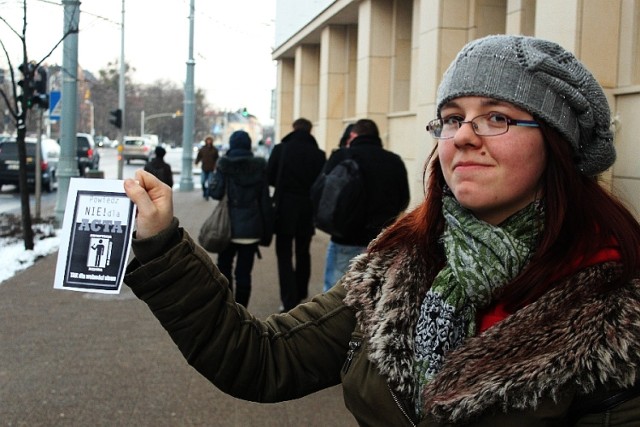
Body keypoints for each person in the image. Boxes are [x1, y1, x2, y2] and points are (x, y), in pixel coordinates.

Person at [123, 35, 640, 426]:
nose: (463, 137)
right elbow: (261, 357)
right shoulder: (398, 264)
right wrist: (164, 243)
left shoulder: (617, 305)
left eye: (497, 118)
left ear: (557, 144)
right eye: (452, 118)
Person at [321, 118, 410, 292]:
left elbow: (324, 194)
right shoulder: (394, 161)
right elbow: (403, 199)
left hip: (344, 239)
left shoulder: (341, 156)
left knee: (333, 298)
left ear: (353, 135)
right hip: (381, 241)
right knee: (373, 296)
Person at [266, 118, 326, 311]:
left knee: (283, 253)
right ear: (310, 131)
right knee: (303, 251)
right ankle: (301, 291)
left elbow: (269, 176)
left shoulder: (281, 149)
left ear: (293, 129)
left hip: (285, 206)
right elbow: (321, 183)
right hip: (308, 208)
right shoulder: (318, 154)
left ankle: (288, 298)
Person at [208, 130, 270, 307]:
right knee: (244, 274)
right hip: (251, 230)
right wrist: (266, 232)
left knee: (224, 269)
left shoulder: (224, 165)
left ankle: (228, 309)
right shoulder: (260, 166)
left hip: (227, 229)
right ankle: (242, 311)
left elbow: (215, 192)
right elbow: (265, 202)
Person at [195, 135, 219, 200]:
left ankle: (207, 194)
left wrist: (216, 166)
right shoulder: (203, 149)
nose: (209, 141)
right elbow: (199, 156)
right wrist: (196, 162)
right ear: (206, 141)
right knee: (202, 182)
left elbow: (217, 159)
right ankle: (205, 191)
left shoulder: (214, 150)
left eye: (210, 140)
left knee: (209, 183)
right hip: (204, 168)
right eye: (208, 140)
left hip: (211, 169)